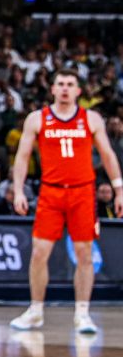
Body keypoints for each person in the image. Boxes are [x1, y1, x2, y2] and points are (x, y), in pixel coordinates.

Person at [8, 69, 123, 335]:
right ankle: (35, 311)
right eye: (60, 83)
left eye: (70, 84)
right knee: (39, 253)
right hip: (51, 192)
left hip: (83, 192)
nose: (65, 88)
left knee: (84, 254)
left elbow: (107, 155)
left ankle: (82, 313)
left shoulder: (91, 118)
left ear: (78, 91)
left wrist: (119, 190)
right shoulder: (37, 119)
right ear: (52, 89)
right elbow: (23, 157)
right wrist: (19, 190)